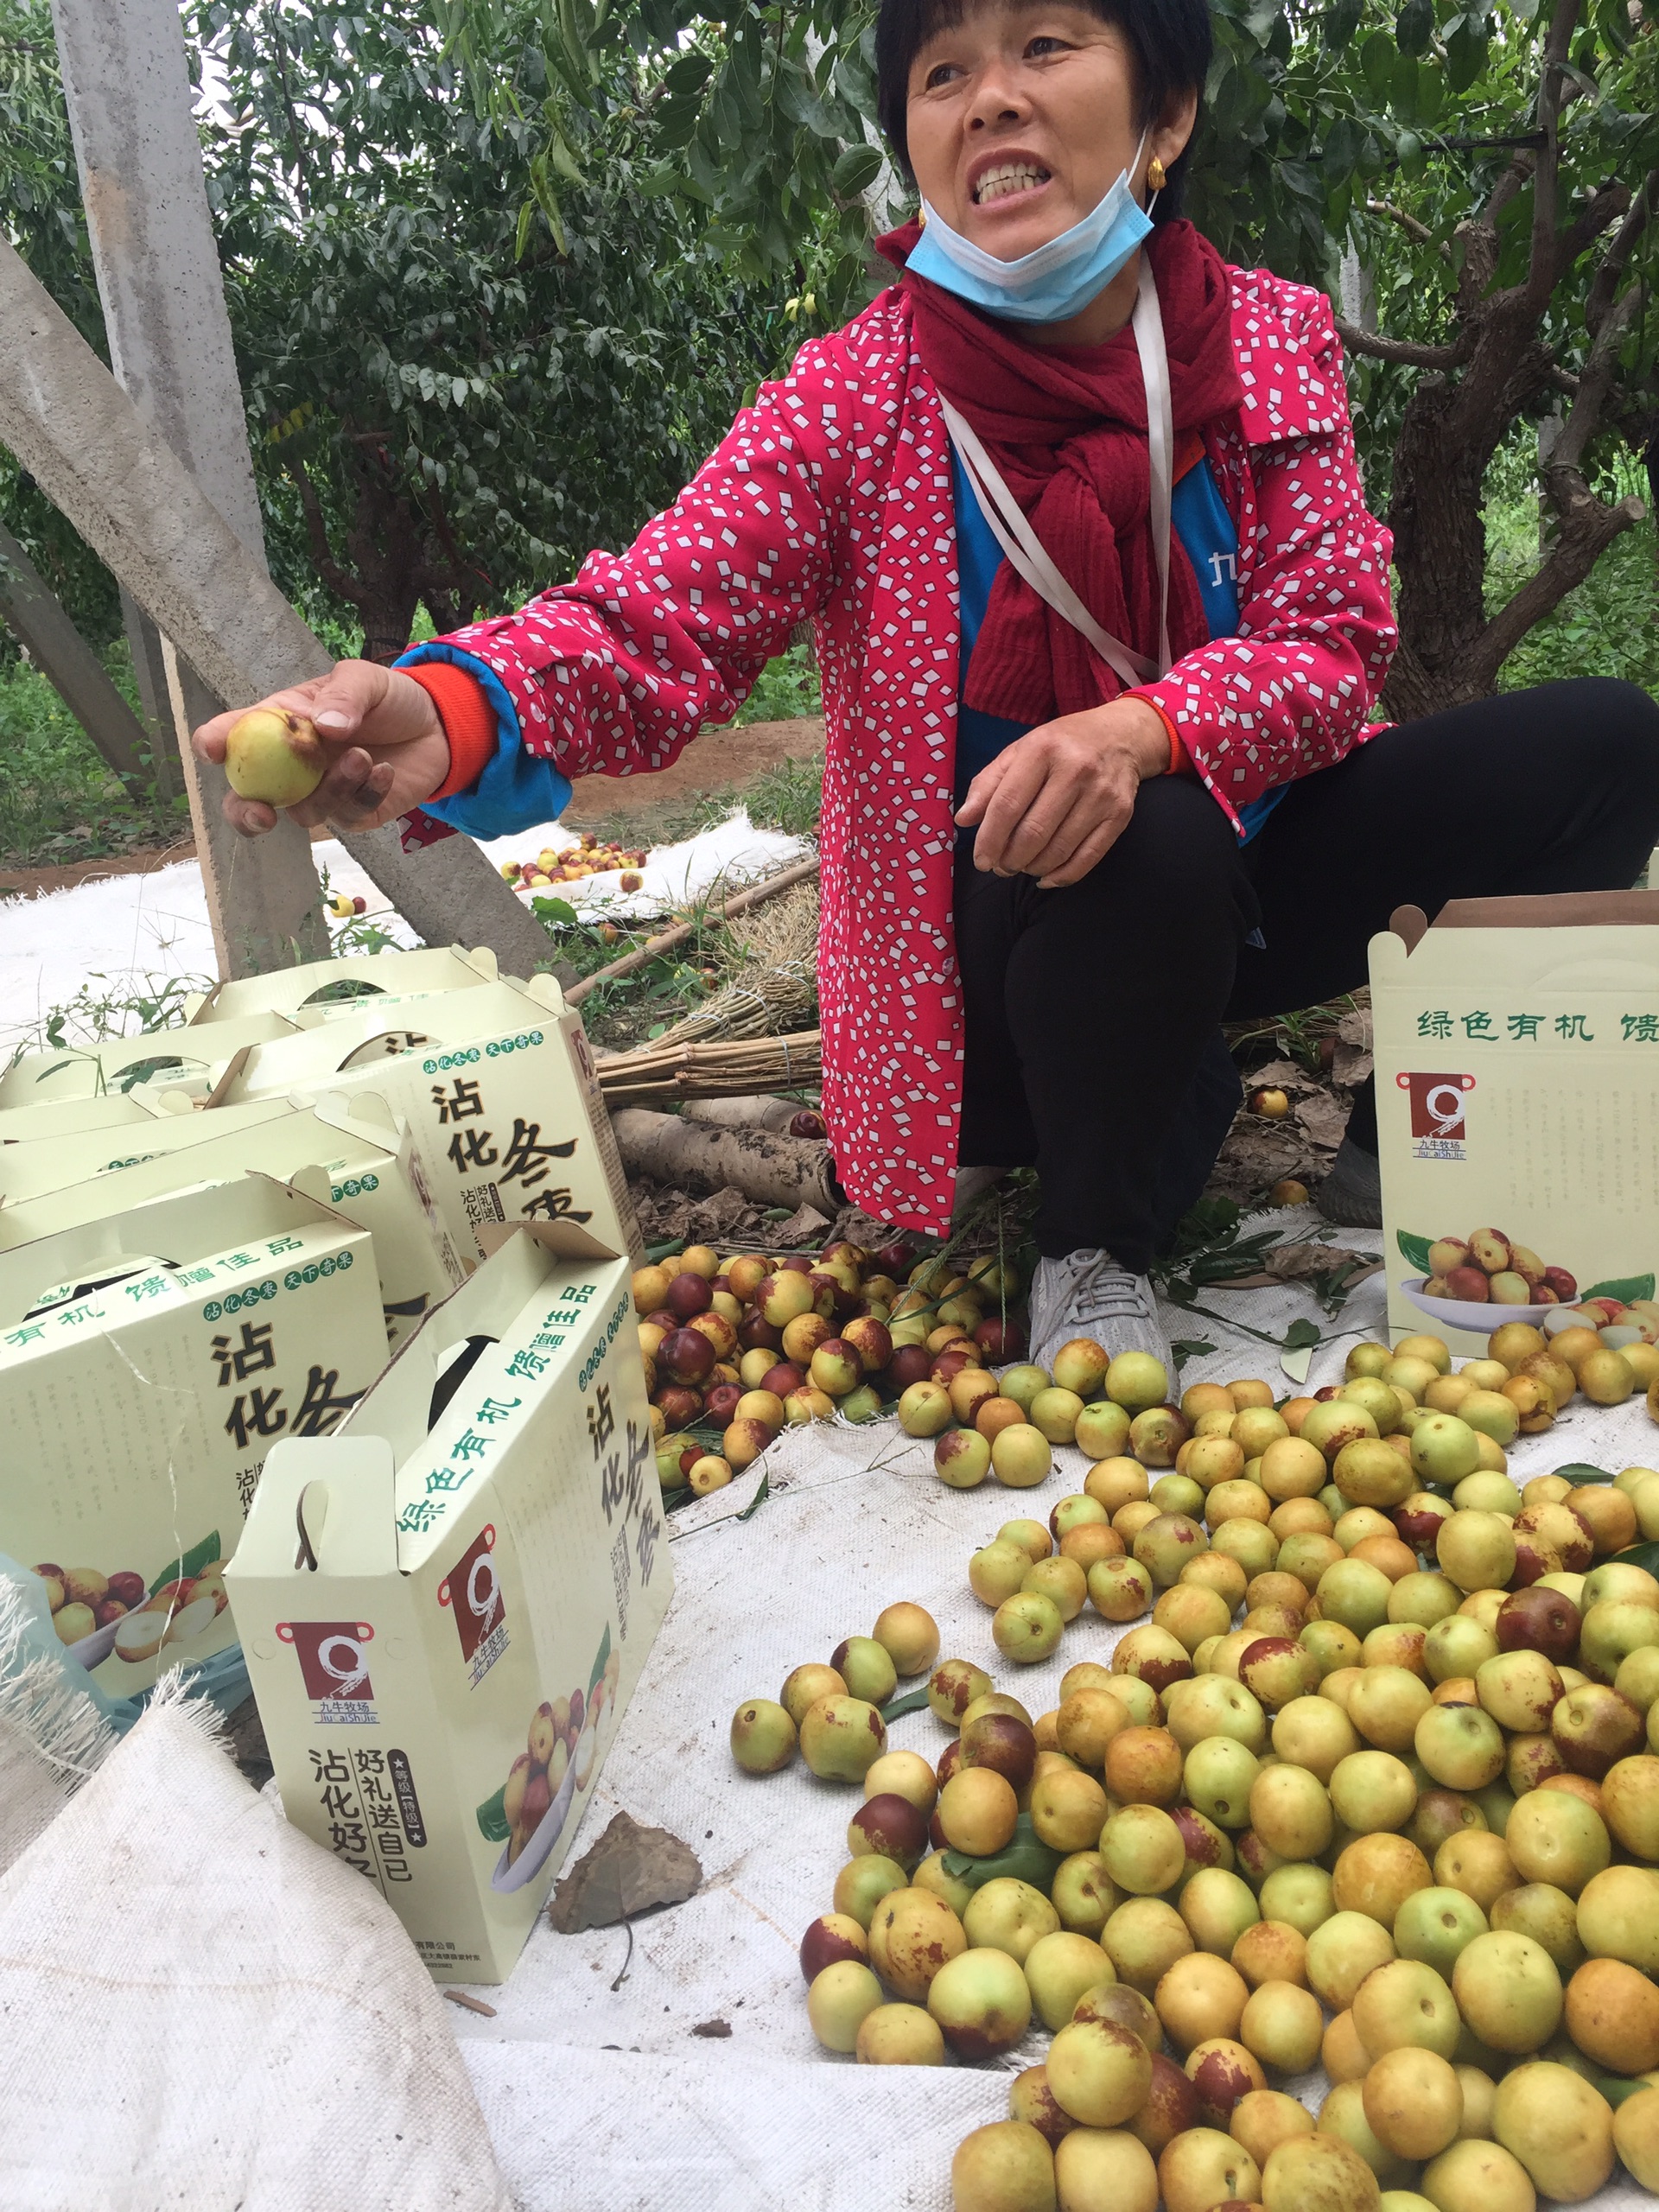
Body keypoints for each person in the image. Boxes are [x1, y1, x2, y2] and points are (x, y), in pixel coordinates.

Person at [197, 0, 1659, 1375]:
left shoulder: (1259, 339)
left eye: (1043, 44)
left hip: (1250, 869)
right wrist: (443, 711)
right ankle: (1094, 1248)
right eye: (943, 73)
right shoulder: (862, 394)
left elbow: (1333, 643)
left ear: (1166, 111)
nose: (992, 98)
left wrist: (1145, 723)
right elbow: (653, 620)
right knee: (1138, 830)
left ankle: (1405, 1138)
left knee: (1605, 746)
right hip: (1012, 959)